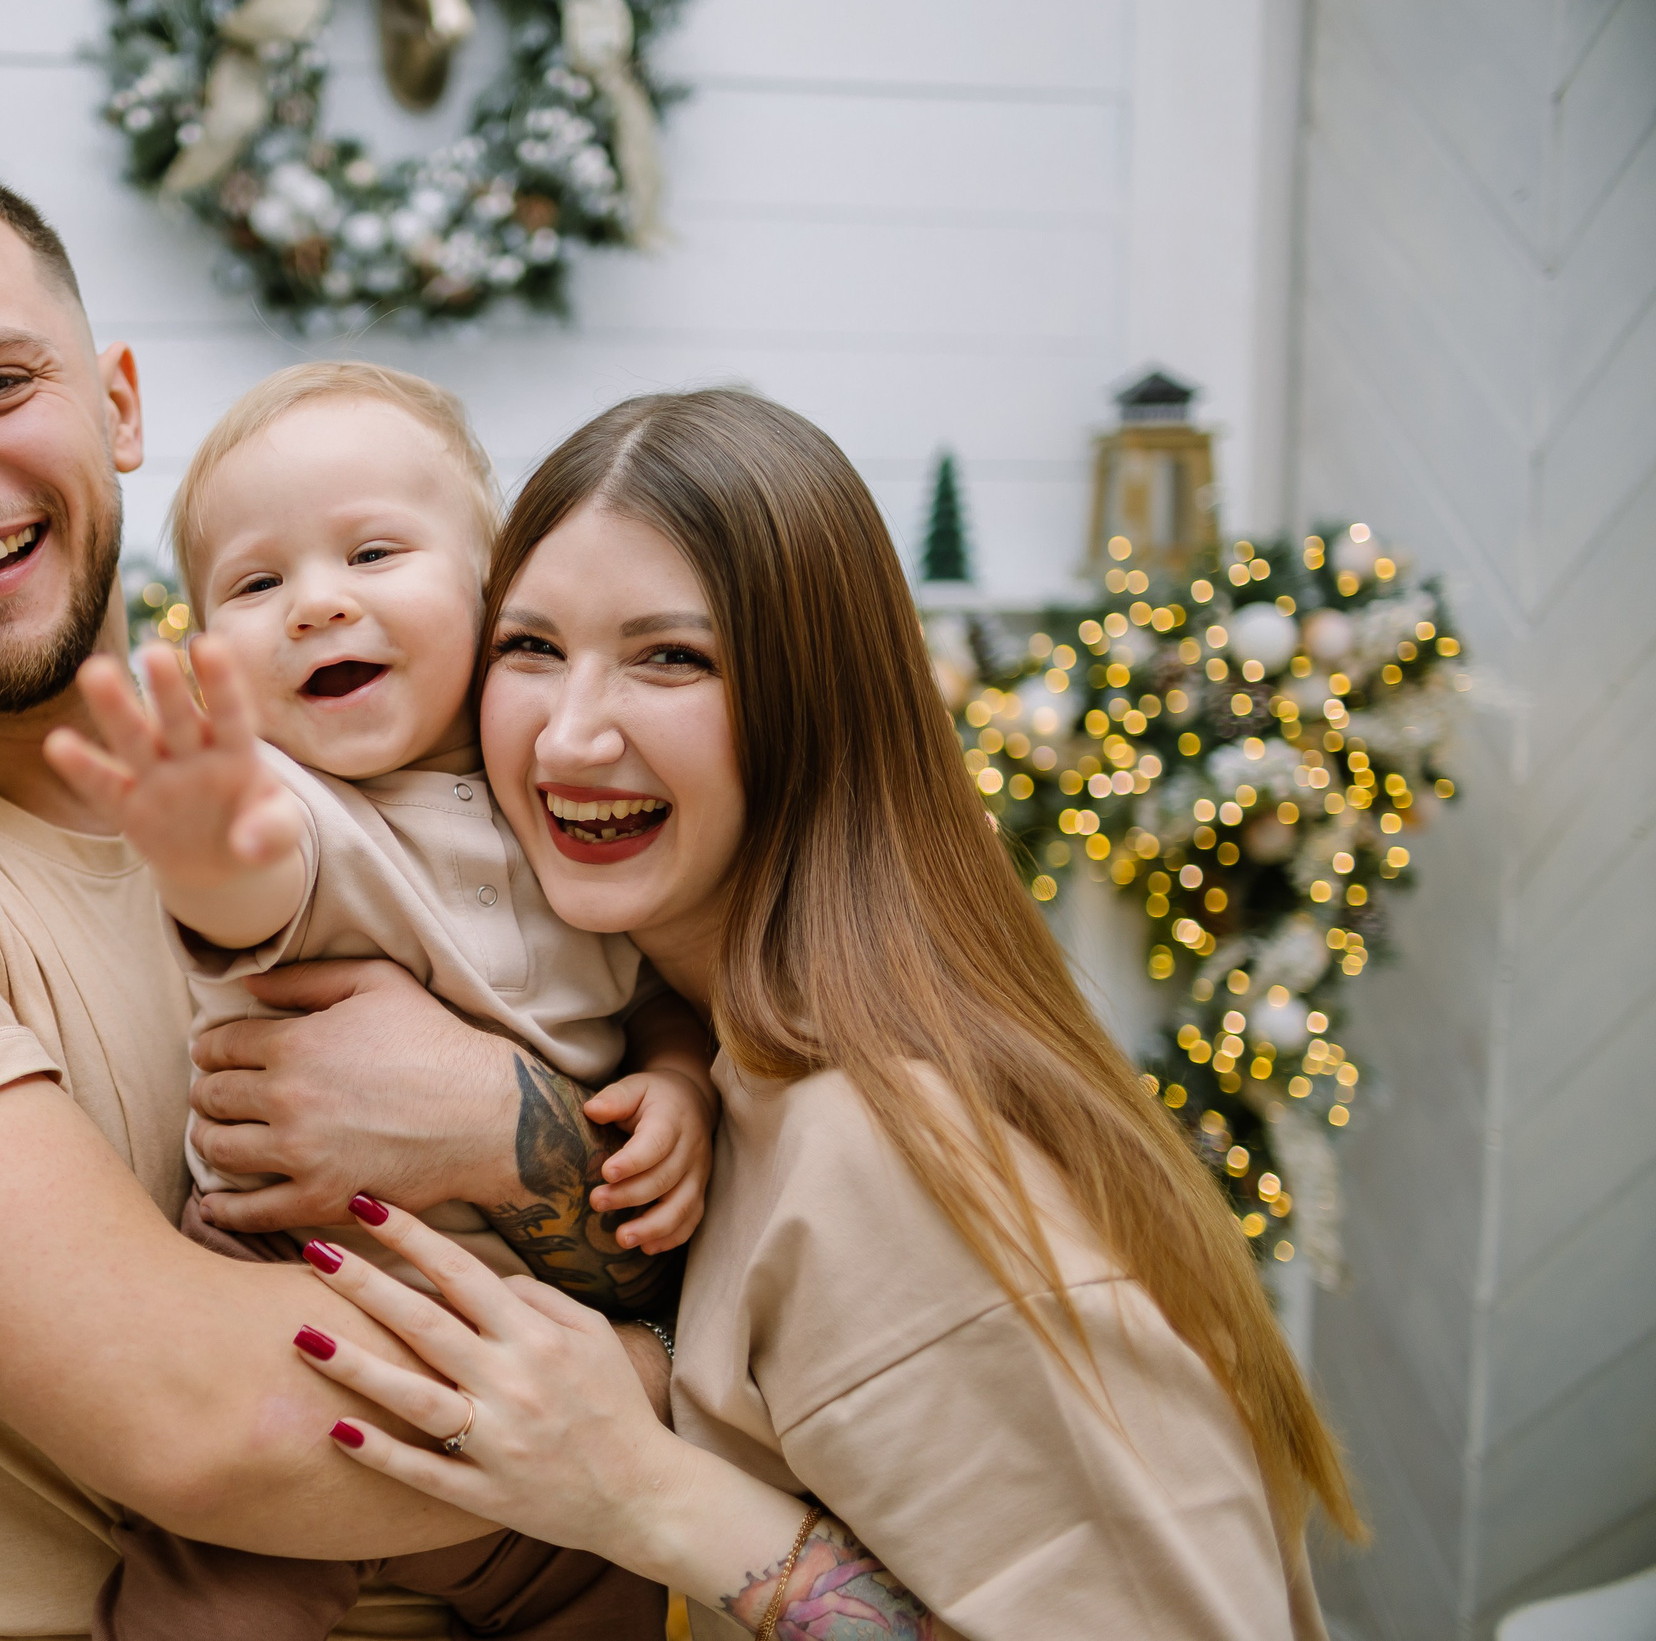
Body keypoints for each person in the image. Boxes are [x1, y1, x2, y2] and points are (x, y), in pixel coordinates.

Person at [0, 155, 669, 1640]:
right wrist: (736, 1379)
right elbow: (215, 1422)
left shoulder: (385, 750)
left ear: (118, 404)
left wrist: (492, 1124)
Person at [278, 389, 1358, 1639]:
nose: (570, 734)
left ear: (814, 700)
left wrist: (644, 1491)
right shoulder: (692, 1054)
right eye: (530, 647)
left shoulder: (886, 1147)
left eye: (670, 656)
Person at [44, 361, 720, 1637]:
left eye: (370, 552)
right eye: (255, 583)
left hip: (550, 1387)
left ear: (491, 589)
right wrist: (202, 839)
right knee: (208, 1604)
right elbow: (254, 886)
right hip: (299, 1323)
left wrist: (676, 1076)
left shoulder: (567, 792)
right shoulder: (299, 806)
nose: (313, 605)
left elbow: (652, 981)